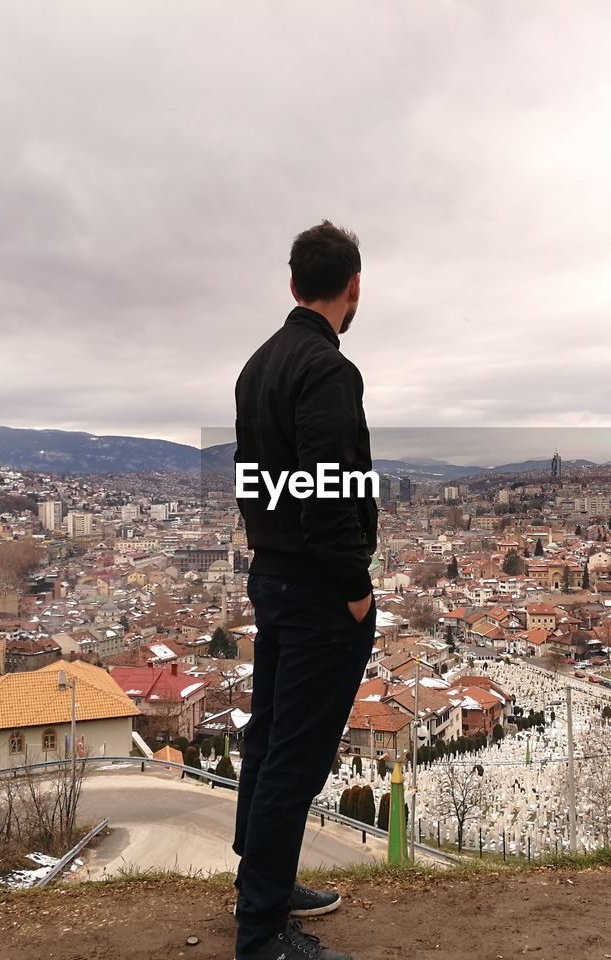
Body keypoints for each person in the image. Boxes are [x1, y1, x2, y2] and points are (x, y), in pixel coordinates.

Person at [232, 221, 378, 960]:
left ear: (293, 284)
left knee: (269, 737)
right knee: (297, 754)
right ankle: (261, 937)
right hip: (322, 589)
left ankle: (263, 879)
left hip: (275, 574)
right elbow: (330, 486)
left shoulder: (257, 367)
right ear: (352, 287)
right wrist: (354, 587)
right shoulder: (325, 369)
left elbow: (254, 484)